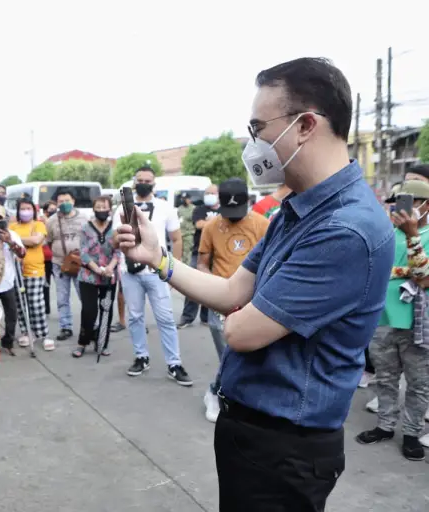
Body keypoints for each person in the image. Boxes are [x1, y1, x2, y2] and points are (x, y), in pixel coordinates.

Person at [115, 58, 393, 511]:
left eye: (258, 127)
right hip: (254, 433)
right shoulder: (297, 211)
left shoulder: (346, 229)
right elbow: (231, 294)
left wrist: (245, 311)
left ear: (305, 125)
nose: (253, 143)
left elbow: (240, 332)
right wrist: (158, 258)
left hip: (285, 447)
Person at [355, 179, 429, 461]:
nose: (398, 209)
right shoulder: (385, 234)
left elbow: (423, 277)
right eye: (396, 203)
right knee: (385, 379)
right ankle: (385, 425)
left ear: (425, 205)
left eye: (407, 203)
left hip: (418, 324)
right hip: (382, 319)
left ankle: (411, 433)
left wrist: (412, 235)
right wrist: (403, 271)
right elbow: (371, 269)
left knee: (418, 383)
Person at [197, 178, 270, 422]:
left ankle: (220, 392)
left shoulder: (263, 225)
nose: (233, 217)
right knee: (229, 354)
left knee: (244, 355)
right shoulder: (211, 227)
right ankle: (217, 394)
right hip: (220, 301)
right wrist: (214, 288)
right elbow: (201, 265)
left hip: (254, 302)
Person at [113, 166, 190, 385]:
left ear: (154, 184)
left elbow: (176, 239)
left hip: (157, 271)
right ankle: (141, 357)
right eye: (140, 180)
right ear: (134, 182)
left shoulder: (165, 208)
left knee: (165, 318)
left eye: (148, 180)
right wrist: (120, 239)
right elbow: (113, 240)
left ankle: (174, 363)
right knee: (135, 317)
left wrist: (173, 270)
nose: (144, 183)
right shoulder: (121, 209)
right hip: (130, 271)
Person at [72, 196, 120, 358]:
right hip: (88, 277)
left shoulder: (115, 228)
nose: (101, 210)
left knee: (106, 311)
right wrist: (96, 269)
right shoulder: (86, 228)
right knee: (88, 311)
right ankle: (82, 342)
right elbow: (83, 253)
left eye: (104, 207)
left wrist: (110, 268)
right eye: (98, 207)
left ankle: (102, 343)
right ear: (93, 209)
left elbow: (118, 251)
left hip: (109, 277)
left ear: (110, 209)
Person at [9, 197, 54, 350]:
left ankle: (43, 334)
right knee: (21, 303)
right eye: (23, 208)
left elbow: (36, 240)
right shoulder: (13, 226)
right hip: (16, 270)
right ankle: (26, 332)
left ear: (33, 211)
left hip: (35, 270)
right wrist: (15, 239)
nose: (25, 211)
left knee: (36, 304)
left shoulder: (39, 224)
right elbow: (9, 243)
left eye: (28, 208)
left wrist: (15, 239)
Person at [46, 189, 88, 341]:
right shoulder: (51, 221)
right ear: (56, 203)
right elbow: (49, 241)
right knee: (62, 297)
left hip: (81, 264)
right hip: (59, 264)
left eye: (67, 200)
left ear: (73, 201)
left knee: (85, 297)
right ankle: (66, 327)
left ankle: (89, 325)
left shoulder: (84, 218)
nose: (64, 204)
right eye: (60, 201)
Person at [0, 204, 26, 355]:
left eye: (0, 220)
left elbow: (22, 254)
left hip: (8, 282)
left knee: (11, 314)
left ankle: (8, 342)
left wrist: (9, 241)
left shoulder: (13, 235)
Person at [178, 184, 219, 328]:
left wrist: (209, 223)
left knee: (211, 286)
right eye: (207, 193)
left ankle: (206, 317)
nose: (208, 195)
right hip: (199, 252)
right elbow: (199, 224)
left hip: (217, 254)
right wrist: (218, 221)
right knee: (193, 286)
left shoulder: (223, 210)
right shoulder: (200, 209)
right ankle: (188, 317)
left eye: (212, 193)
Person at [42, 201, 57, 315]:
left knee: (61, 285)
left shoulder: (58, 222)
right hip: (44, 259)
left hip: (56, 259)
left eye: (54, 209)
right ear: (45, 211)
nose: (53, 211)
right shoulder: (41, 222)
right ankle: (46, 308)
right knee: (45, 285)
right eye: (50, 209)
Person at [177, 192, 195, 259]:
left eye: (186, 199)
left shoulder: (193, 208)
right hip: (180, 233)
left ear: (189, 199)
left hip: (188, 234)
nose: (184, 200)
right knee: (179, 252)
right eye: (183, 199)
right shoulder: (180, 208)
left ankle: (187, 266)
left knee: (187, 252)